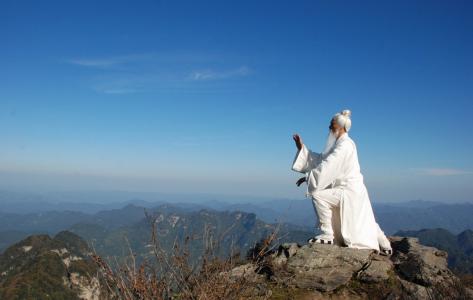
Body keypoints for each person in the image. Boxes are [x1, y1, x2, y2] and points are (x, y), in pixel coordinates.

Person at [291, 109, 392, 254]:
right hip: (354, 191)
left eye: (331, 125)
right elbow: (322, 160)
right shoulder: (340, 144)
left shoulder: (345, 145)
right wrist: (302, 148)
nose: (329, 128)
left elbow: (329, 165)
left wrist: (309, 177)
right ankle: (386, 245)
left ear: (340, 127)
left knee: (319, 196)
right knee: (365, 218)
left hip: (348, 191)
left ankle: (327, 234)